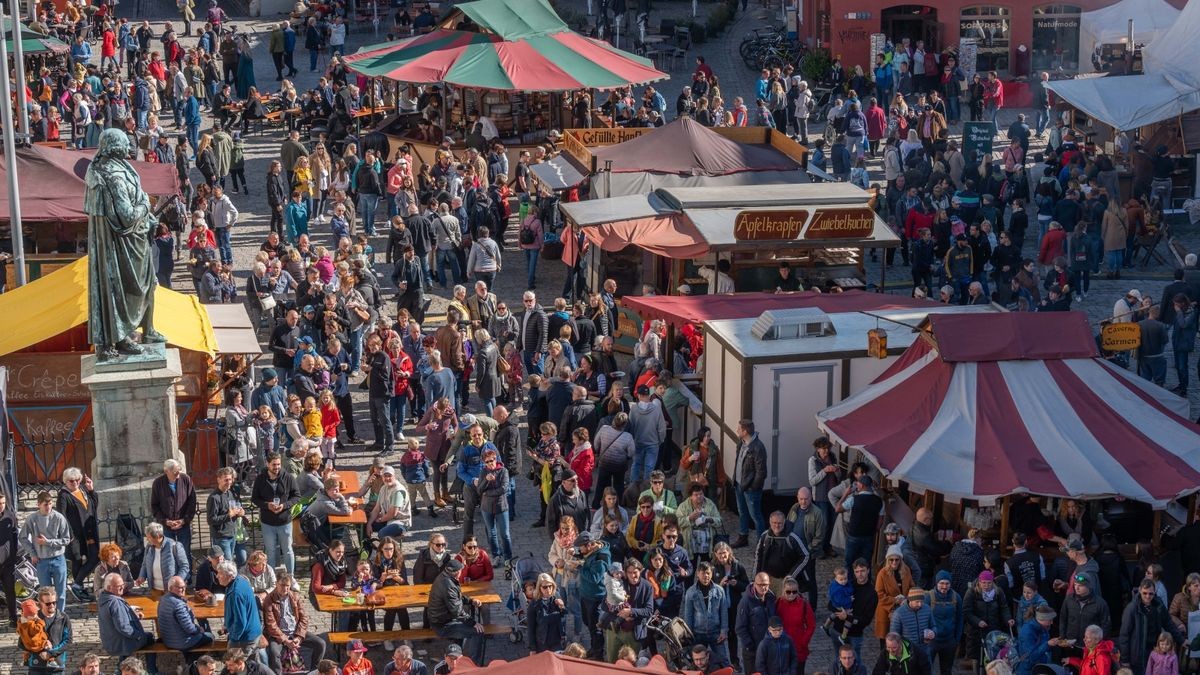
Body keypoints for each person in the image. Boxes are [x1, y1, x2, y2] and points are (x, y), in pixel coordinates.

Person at [263, 572, 326, 673]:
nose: (285, 589)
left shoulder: (294, 597)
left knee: (320, 644)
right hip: (279, 635)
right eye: (282, 585)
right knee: (274, 653)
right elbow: (271, 625)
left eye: (287, 586)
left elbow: (304, 618)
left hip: (295, 632)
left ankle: (314, 672)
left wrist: (299, 636)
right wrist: (286, 640)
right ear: (276, 584)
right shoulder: (269, 600)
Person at [20, 492, 72, 614]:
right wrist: (32, 553)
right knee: (45, 593)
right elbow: (22, 537)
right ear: (38, 505)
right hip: (42, 560)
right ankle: (47, 616)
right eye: (45, 504)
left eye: (50, 504)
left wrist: (48, 542)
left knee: (60, 592)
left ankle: (60, 616)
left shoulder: (59, 517)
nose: (48, 507)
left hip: (58, 558)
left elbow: (66, 539)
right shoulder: (32, 519)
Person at [427, 558, 485, 664]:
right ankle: (474, 665)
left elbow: (456, 597)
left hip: (442, 620)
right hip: (442, 625)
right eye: (461, 571)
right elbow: (457, 611)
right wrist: (473, 623)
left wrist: (470, 601)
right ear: (457, 572)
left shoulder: (445, 578)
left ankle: (455, 658)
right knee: (477, 632)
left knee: (463, 628)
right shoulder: (447, 585)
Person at [1120, 580, 1183, 675]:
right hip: (1138, 653)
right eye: (1145, 593)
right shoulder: (1132, 608)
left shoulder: (1158, 605)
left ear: (1155, 593)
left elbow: (1168, 623)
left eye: (1151, 593)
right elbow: (1124, 635)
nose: (1147, 596)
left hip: (1155, 649)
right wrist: (1125, 659)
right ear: (1140, 590)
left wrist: (1181, 640)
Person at [251, 452, 300, 574]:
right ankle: (272, 578)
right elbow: (255, 499)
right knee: (271, 551)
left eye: (278, 464)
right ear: (267, 464)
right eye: (274, 465)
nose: (277, 467)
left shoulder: (287, 477)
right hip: (267, 522)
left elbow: (296, 496)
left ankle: (291, 576)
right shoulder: (260, 479)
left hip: (284, 521)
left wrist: (284, 505)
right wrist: (267, 505)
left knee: (288, 550)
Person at [98, 574, 156, 671]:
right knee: (149, 637)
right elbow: (124, 628)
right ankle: (152, 670)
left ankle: (120, 666)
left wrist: (132, 615)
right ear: (109, 587)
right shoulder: (115, 603)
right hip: (121, 643)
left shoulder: (104, 598)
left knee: (129, 639)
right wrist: (139, 635)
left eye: (123, 584)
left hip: (112, 641)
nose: (122, 587)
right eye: (119, 586)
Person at [56, 467, 98, 602]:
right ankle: (79, 589)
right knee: (77, 560)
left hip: (89, 531)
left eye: (77, 480)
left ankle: (76, 584)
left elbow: (94, 505)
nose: (75, 483)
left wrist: (91, 490)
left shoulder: (83, 490)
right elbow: (61, 516)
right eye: (71, 481)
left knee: (95, 557)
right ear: (66, 481)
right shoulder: (64, 495)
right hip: (74, 535)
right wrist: (68, 534)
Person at [150, 459, 198, 573]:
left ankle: (186, 578)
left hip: (183, 525)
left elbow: (192, 501)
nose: (178, 475)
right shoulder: (158, 483)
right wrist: (165, 521)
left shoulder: (185, 479)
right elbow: (155, 506)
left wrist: (185, 520)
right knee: (168, 552)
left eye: (179, 471)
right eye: (175, 472)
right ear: (166, 471)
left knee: (184, 551)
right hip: (166, 526)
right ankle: (171, 578)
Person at [158, 575, 215, 664]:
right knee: (210, 637)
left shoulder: (163, 599)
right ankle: (191, 662)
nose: (183, 589)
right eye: (180, 588)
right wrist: (199, 629)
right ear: (171, 588)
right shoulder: (178, 605)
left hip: (167, 639)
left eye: (184, 586)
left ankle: (188, 658)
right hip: (181, 642)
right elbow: (189, 628)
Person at [754, 512, 810, 596]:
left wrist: (791, 576)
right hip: (768, 579)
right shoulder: (765, 536)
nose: (777, 526)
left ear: (784, 522)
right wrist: (755, 578)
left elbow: (805, 556)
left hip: (784, 580)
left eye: (779, 523)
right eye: (774, 523)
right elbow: (758, 557)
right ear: (770, 522)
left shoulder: (792, 537)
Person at [732, 419, 767, 548]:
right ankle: (743, 537)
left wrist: (753, 487)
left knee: (756, 516)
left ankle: (762, 543)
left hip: (750, 488)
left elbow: (761, 472)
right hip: (739, 484)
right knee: (742, 512)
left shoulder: (758, 447)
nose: (737, 431)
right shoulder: (741, 443)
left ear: (745, 431)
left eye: (739, 429)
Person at [838, 475, 883, 568]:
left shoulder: (853, 499)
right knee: (866, 564)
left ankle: (850, 581)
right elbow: (880, 522)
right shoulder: (879, 501)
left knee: (849, 562)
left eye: (857, 483)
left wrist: (845, 494)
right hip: (869, 536)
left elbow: (838, 509)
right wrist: (874, 531)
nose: (856, 485)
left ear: (862, 485)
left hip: (854, 535)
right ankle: (865, 581)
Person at [736, 572, 778, 671]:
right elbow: (740, 627)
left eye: (766, 585)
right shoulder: (746, 602)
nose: (763, 587)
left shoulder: (772, 599)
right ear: (755, 584)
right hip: (753, 650)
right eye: (760, 585)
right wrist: (750, 645)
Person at [528, 572, 568, 654]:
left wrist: (562, 607)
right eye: (545, 587)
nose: (548, 589)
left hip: (557, 640)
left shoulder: (556, 595)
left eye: (550, 586)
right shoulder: (534, 603)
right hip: (542, 642)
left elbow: (563, 616)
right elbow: (531, 627)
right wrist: (533, 648)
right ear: (539, 588)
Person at [1016, 605, 1059, 675]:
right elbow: (1031, 657)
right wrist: (1047, 644)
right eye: (1050, 620)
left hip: (1040, 665)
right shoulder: (1027, 632)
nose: (1052, 622)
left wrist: (1055, 643)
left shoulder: (1043, 627)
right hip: (1028, 669)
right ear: (1042, 619)